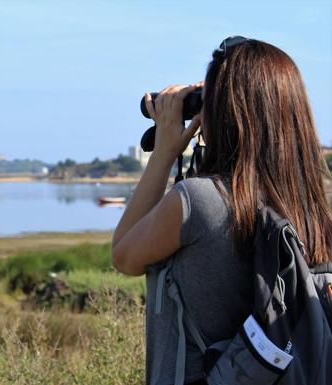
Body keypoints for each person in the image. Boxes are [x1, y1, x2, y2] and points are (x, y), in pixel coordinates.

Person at [111, 36, 332, 385]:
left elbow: (124, 255)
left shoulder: (200, 201)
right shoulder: (311, 212)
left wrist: (165, 151)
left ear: (223, 113)